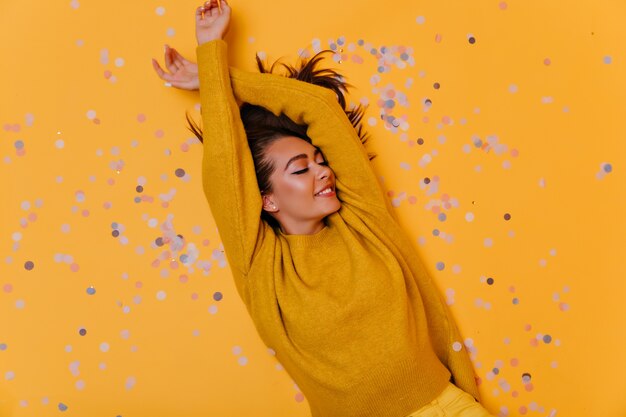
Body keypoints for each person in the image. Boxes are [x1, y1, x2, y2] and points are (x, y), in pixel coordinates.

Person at [152, 1, 497, 416]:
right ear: (268, 199)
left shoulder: (363, 219)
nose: (323, 172)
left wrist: (218, 79)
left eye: (320, 160)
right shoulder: (261, 265)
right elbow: (227, 163)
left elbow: (320, 108)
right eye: (301, 168)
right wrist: (210, 55)